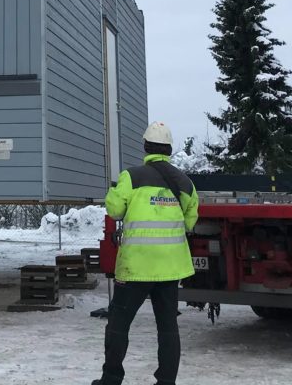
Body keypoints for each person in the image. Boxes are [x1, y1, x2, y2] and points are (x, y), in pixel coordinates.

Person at [93, 121, 199, 385]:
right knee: (167, 328)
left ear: (145, 147)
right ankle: (166, 381)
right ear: (169, 149)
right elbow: (190, 219)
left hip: (136, 267)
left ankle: (111, 378)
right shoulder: (185, 183)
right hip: (170, 268)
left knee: (119, 324)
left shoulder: (132, 176)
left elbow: (115, 210)